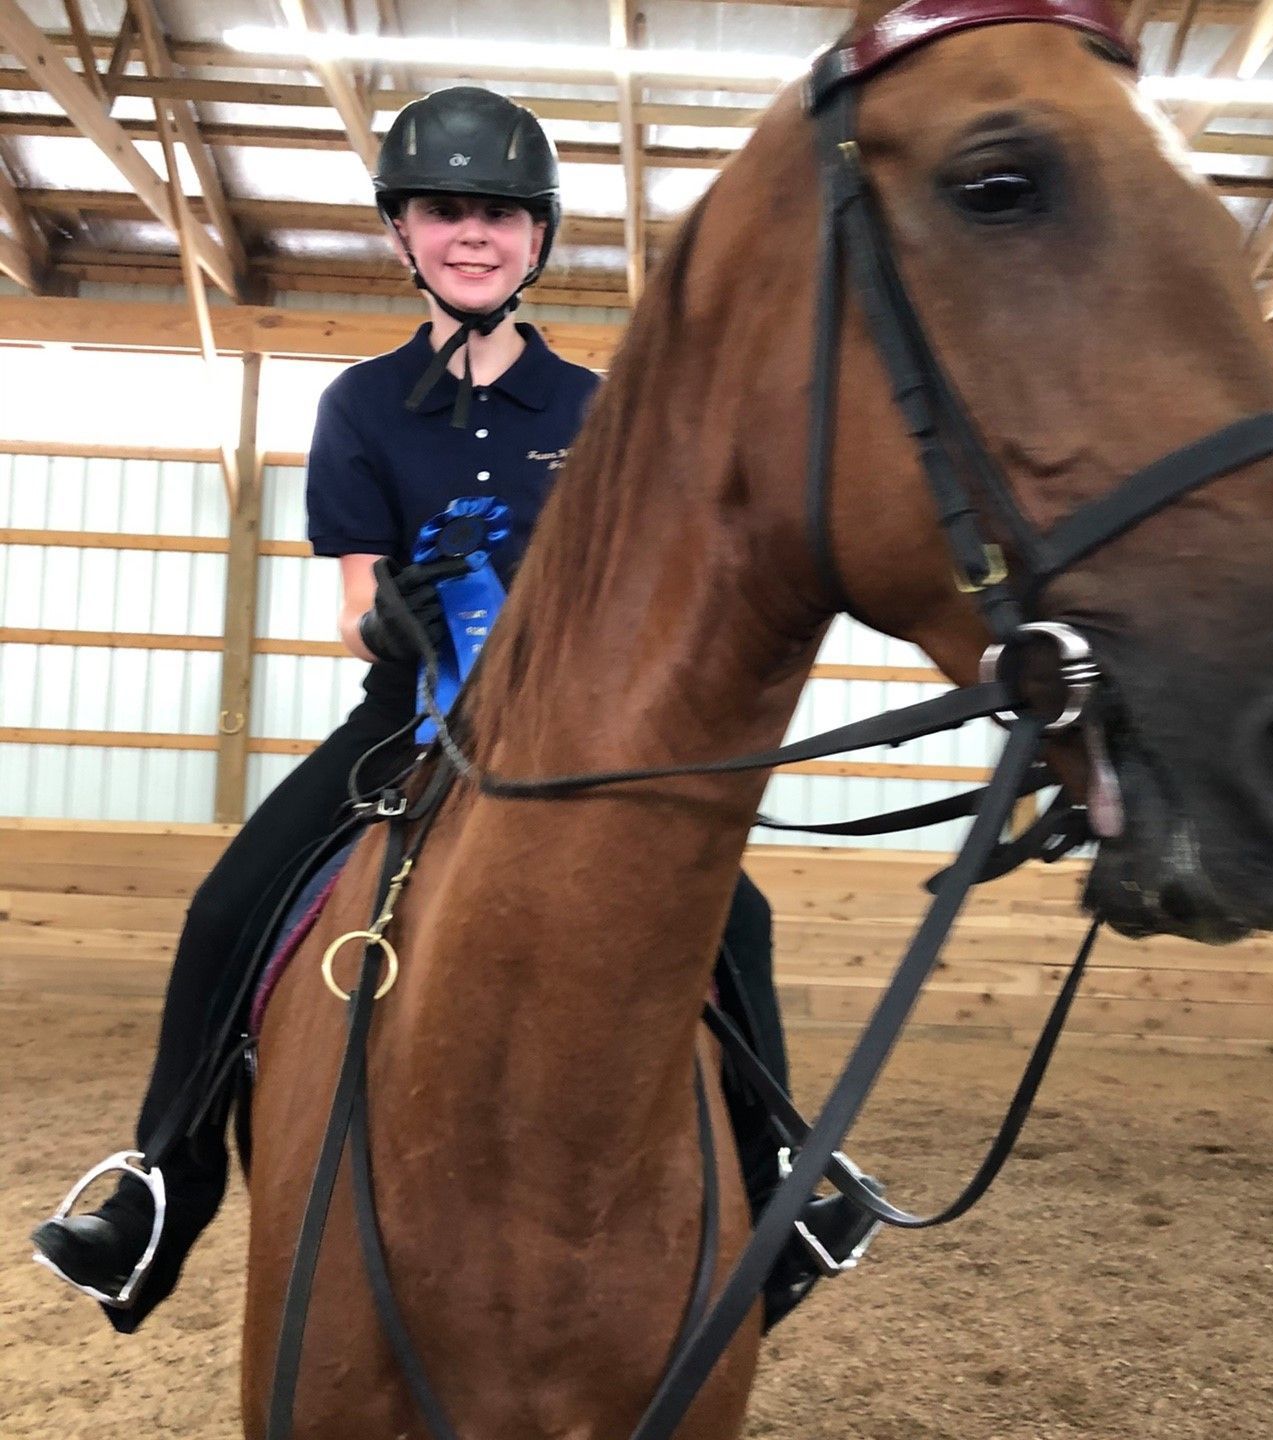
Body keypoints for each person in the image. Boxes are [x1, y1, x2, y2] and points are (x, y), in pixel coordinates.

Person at [31, 86, 875, 1336]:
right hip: (403, 717)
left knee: (730, 914)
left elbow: (644, 593)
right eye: (443, 211)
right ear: (401, 234)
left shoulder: (596, 412)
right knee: (226, 907)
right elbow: (353, 600)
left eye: (496, 214)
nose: (470, 234)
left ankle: (785, 1185)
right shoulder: (357, 409)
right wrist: (396, 624)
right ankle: (161, 1190)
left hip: (575, 731)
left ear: (535, 238)